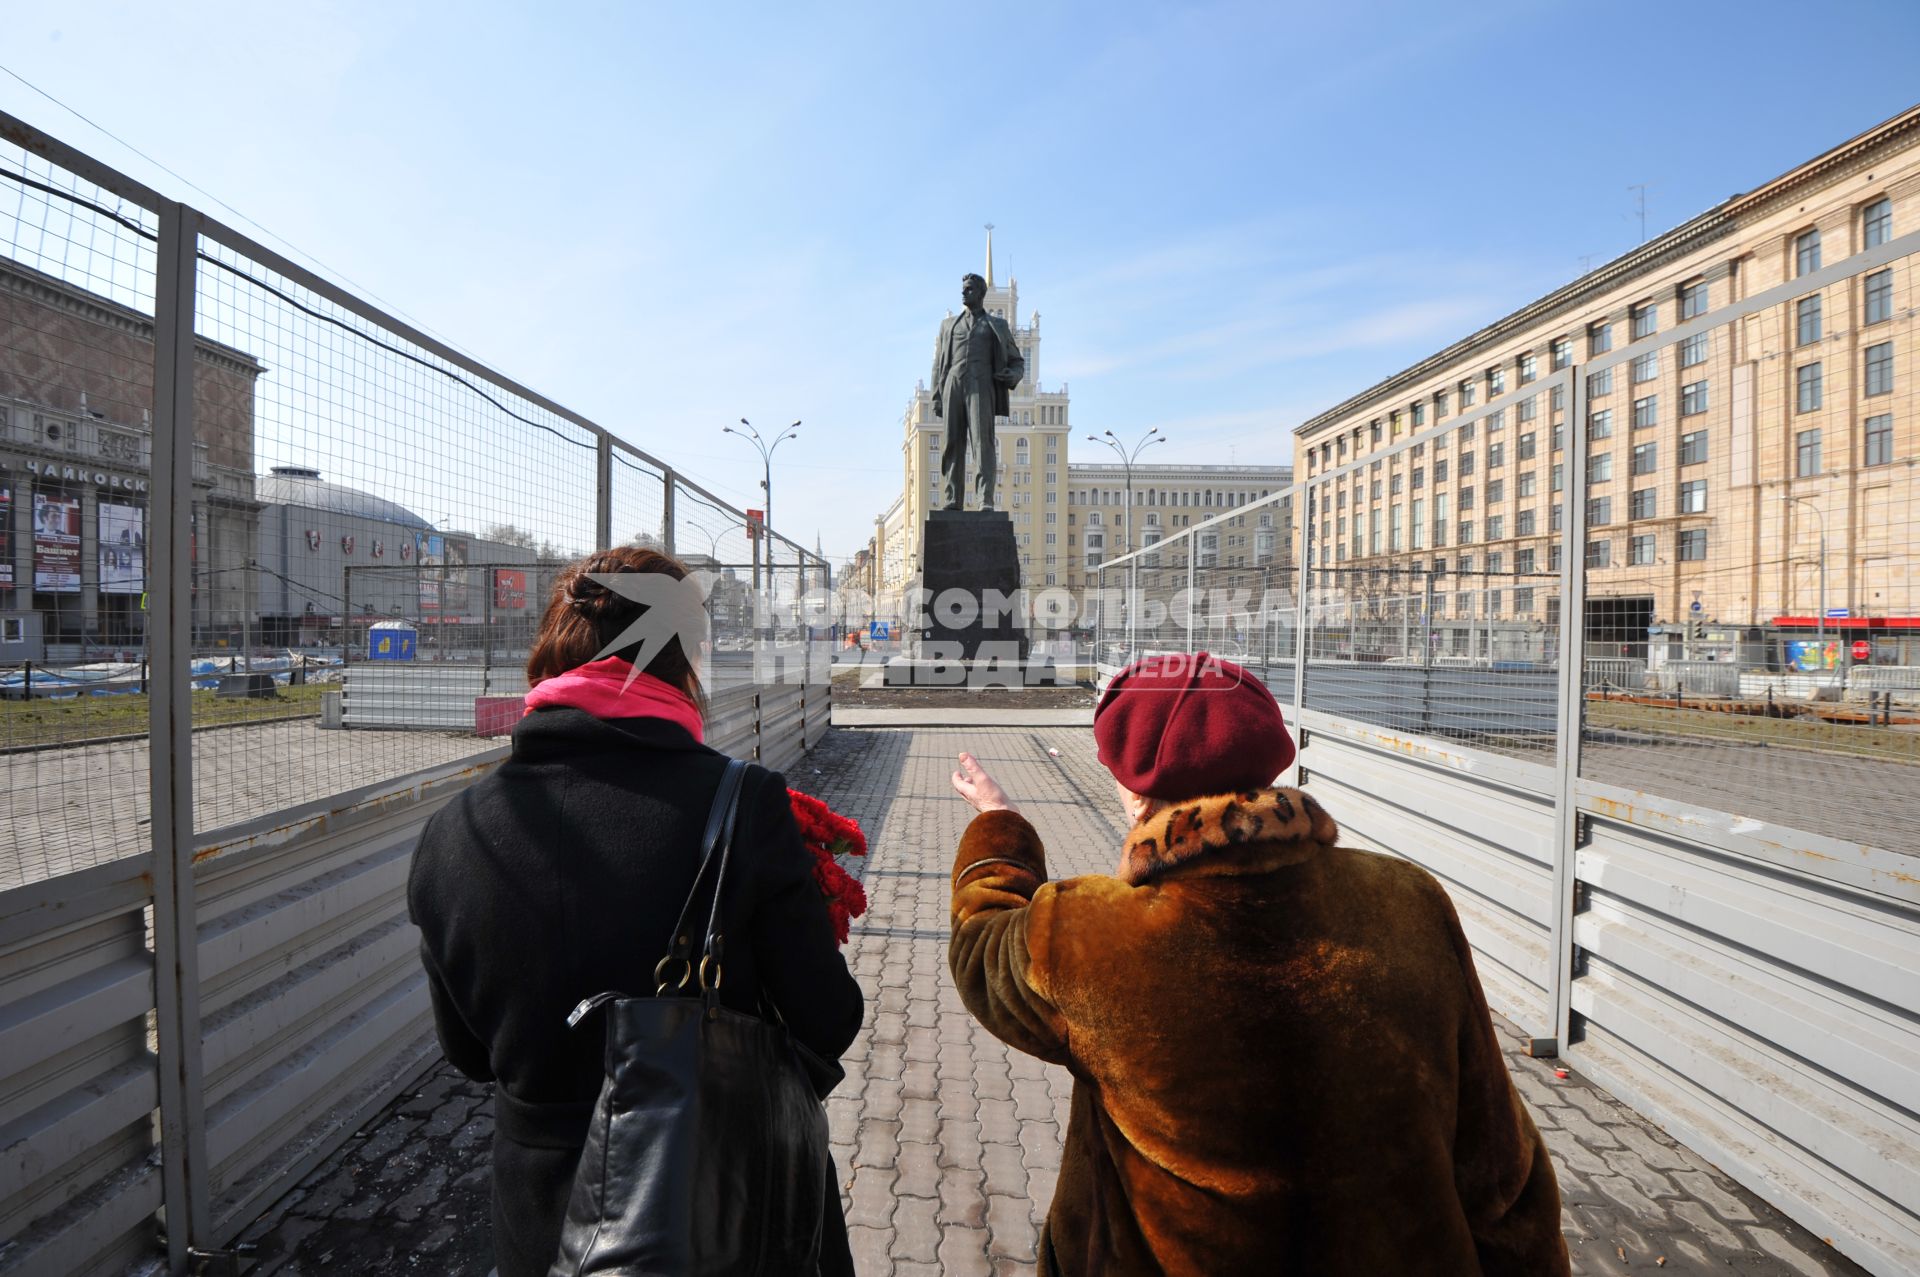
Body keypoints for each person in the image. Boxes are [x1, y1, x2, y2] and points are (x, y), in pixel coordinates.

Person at [947, 652, 1569, 1276]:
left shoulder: (1086, 935)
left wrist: (998, 824)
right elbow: (1498, 1164)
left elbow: (983, 949)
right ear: (1271, 766)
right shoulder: (1407, 899)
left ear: (1137, 794)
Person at [408, 546, 865, 1277]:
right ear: (682, 661)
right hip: (725, 1211)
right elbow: (829, 1019)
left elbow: (468, 1053)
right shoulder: (744, 805)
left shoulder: (451, 834)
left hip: (543, 1230)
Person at [930, 272, 1025, 510]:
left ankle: (985, 499)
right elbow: (938, 364)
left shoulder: (997, 326)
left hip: (981, 386)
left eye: (969, 288)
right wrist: (936, 396)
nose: (964, 292)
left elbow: (1017, 361)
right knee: (952, 442)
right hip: (953, 384)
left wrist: (1011, 376)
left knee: (982, 443)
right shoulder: (948, 326)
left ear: (981, 294)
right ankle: (953, 499)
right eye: (963, 288)